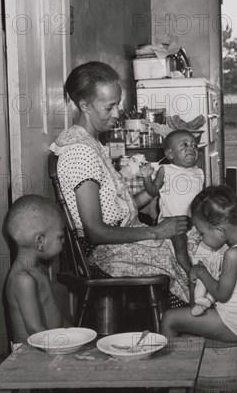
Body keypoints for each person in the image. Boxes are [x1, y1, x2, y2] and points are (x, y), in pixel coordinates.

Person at [49, 61, 191, 304]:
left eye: (118, 104)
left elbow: (112, 209)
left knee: (186, 239)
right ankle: (181, 321)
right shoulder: (79, 151)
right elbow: (95, 231)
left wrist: (149, 194)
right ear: (84, 105)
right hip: (102, 254)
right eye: (109, 107)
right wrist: (155, 231)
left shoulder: (90, 142)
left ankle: (188, 317)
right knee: (174, 252)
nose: (117, 114)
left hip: (116, 240)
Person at [161, 185, 237, 342]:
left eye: (202, 233)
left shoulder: (233, 254)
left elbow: (222, 295)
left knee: (169, 318)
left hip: (233, 323)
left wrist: (202, 272)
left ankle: (174, 365)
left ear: (220, 231)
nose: (202, 239)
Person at [3, 195, 68, 349]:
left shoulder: (39, 269)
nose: (63, 241)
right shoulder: (23, 279)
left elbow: (52, 311)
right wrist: (62, 347)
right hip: (29, 351)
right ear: (40, 241)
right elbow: (34, 329)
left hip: (46, 343)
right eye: (60, 236)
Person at [141, 129, 206, 281]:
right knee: (181, 246)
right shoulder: (166, 170)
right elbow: (152, 191)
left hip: (194, 222)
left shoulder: (199, 173)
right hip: (172, 222)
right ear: (170, 154)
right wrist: (146, 177)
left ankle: (206, 274)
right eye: (184, 145)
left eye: (194, 146)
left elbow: (203, 199)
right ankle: (191, 273)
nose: (191, 148)